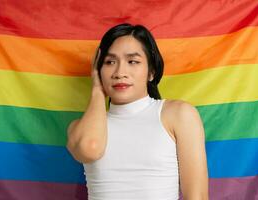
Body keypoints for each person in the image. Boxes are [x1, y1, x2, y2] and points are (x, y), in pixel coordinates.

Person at [66, 23, 208, 200]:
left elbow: (197, 196)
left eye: (132, 61)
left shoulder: (178, 114)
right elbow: (90, 149)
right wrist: (97, 89)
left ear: (151, 72)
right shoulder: (80, 128)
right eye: (110, 62)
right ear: (98, 70)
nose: (120, 72)